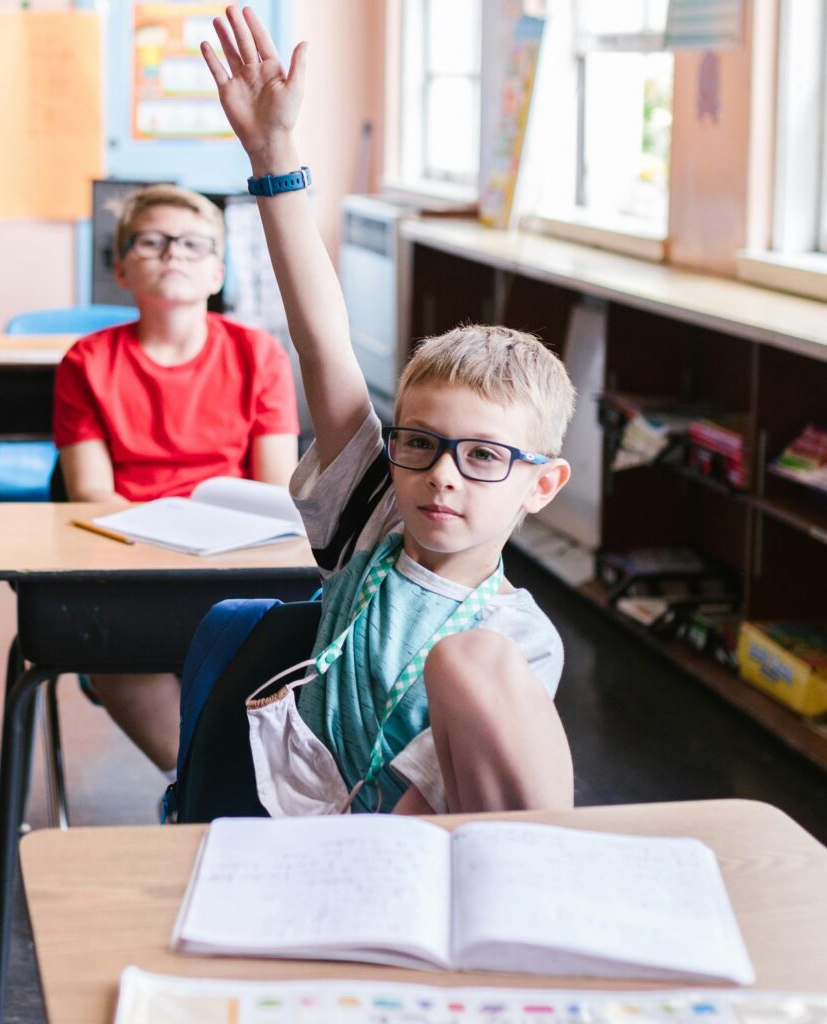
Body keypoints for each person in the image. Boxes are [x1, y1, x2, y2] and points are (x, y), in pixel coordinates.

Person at [202, 6, 575, 814]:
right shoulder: (373, 519)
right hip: (291, 833)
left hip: (416, 862)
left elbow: (447, 812)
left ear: (541, 485)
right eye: (420, 444)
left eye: (483, 457)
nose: (442, 477)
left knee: (469, 668)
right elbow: (324, 344)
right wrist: (274, 151)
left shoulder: (518, 644)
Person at [52, 183, 300, 775]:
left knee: (289, 640)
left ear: (217, 271)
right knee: (110, 642)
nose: (173, 254)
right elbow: (91, 491)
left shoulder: (258, 354)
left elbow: (275, 490)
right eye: (152, 242)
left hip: (238, 562)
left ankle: (234, 787)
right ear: (120, 269)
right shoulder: (86, 362)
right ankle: (197, 785)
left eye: (193, 244)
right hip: (132, 560)